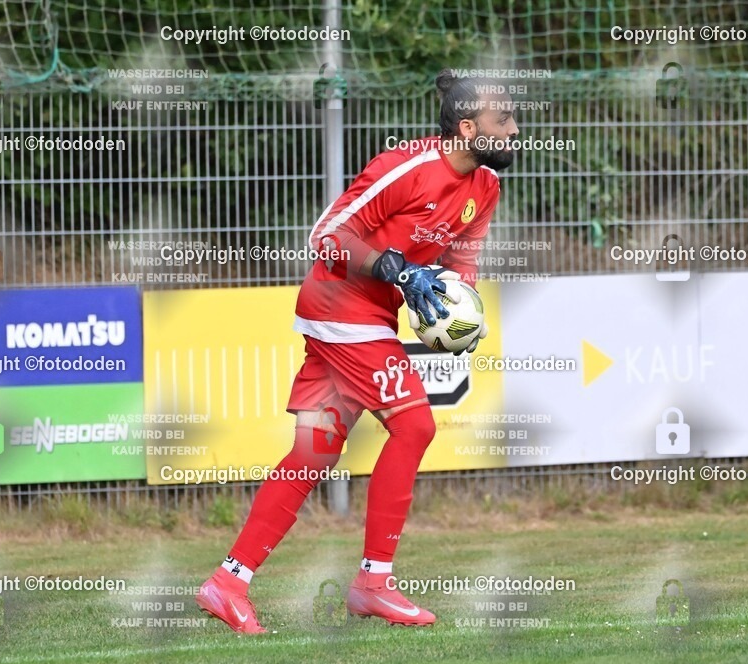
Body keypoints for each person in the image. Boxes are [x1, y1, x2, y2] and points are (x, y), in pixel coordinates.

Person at [196, 68, 519, 632]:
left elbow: (460, 267)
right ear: (468, 128)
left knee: (313, 452)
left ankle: (227, 583)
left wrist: (458, 316)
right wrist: (390, 265)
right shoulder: (407, 168)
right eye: (504, 120)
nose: (515, 130)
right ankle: (373, 585)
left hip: (369, 317)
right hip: (340, 306)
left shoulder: (485, 187)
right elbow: (325, 235)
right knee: (415, 427)